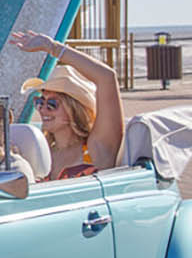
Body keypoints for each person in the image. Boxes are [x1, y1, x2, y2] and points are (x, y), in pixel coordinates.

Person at [11, 28, 125, 180]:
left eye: (52, 104)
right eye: (39, 102)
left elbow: (107, 77)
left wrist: (52, 47)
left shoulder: (96, 148)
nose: (43, 109)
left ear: (74, 109)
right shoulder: (39, 151)